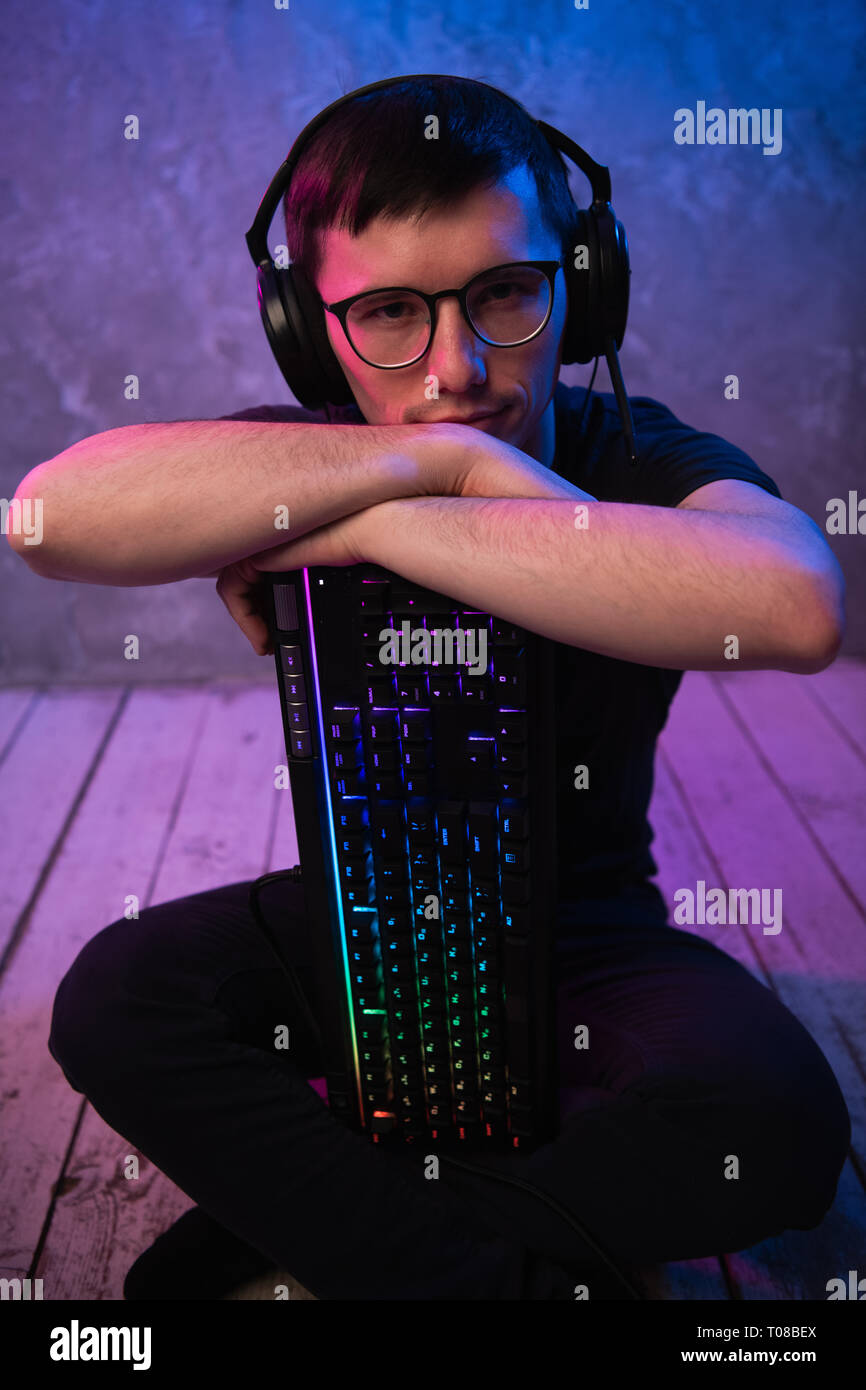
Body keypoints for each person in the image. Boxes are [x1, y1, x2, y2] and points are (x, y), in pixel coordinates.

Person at [9, 76, 850, 1300]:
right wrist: (439, 463)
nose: (454, 367)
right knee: (113, 998)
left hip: (587, 930)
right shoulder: (311, 458)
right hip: (347, 922)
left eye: (505, 294)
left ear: (582, 286)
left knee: (771, 1122)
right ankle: (509, 1271)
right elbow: (46, 513)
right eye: (391, 313)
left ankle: (337, 1241)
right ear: (310, 327)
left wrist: (389, 520)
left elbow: (794, 604)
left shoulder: (639, 450)